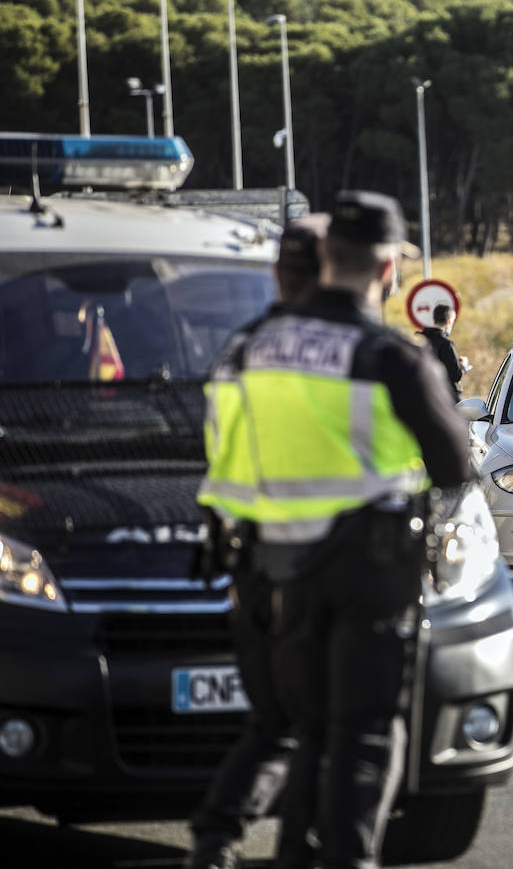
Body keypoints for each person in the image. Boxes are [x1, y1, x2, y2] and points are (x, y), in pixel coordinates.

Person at [197, 190, 474, 869]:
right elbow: (454, 464)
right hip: (368, 570)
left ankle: (288, 853)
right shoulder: (383, 355)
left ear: (325, 259)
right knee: (366, 734)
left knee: (309, 730)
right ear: (387, 269)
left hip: (276, 568)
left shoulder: (252, 345)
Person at [185, 214, 329, 869]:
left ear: (277, 275)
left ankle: (217, 840)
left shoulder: (240, 350)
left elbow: (221, 463)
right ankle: (305, 848)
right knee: (329, 724)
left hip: (254, 568)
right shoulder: (344, 351)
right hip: (327, 569)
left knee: (274, 722)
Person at [417, 301, 467, 401]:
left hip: (422, 396)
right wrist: (463, 366)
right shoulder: (446, 344)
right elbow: (455, 375)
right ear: (448, 321)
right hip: (445, 398)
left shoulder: (418, 339)